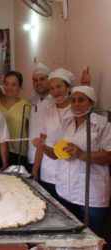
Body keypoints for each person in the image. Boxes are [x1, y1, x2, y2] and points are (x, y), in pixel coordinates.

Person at [33, 86, 111, 234]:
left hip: (92, 193)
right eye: (73, 100)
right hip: (66, 190)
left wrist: (81, 155)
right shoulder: (67, 123)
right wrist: (43, 146)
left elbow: (109, 155)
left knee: (90, 236)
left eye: (81, 100)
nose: (76, 104)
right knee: (68, 234)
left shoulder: (102, 124)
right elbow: (56, 155)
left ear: (92, 103)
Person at [31, 68, 74, 198]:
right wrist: (35, 167)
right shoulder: (49, 110)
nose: (56, 92)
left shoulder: (75, 111)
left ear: (69, 87)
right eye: (52, 88)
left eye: (59, 87)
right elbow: (42, 141)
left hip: (69, 171)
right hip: (47, 171)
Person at [0, 71, 30, 166]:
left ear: (20, 87)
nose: (9, 88)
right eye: (6, 84)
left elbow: (31, 129)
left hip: (18, 153)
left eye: (13, 85)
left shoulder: (26, 105)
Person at [26, 63, 53, 173]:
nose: (38, 83)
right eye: (35, 80)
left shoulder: (55, 102)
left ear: (49, 80)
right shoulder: (31, 101)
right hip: (31, 156)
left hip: (49, 159)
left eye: (42, 79)